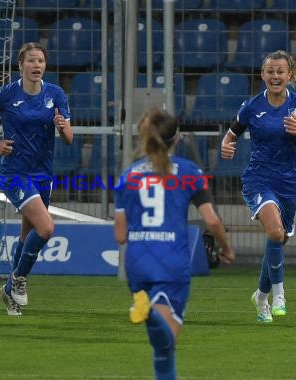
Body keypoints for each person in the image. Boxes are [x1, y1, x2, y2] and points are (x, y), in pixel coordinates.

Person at [114, 107, 235, 380]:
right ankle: (151, 315)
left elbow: (120, 236)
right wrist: (226, 247)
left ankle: (146, 309)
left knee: (161, 350)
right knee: (167, 345)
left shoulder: (128, 176)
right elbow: (212, 221)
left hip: (137, 263)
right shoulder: (189, 171)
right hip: (171, 261)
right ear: (177, 138)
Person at [0, 42, 73, 316]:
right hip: (15, 174)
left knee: (28, 234)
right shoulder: (6, 93)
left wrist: (62, 128)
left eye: (41, 61)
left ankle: (9, 292)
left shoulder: (55, 94)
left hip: (43, 174)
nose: (37, 65)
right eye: (32, 61)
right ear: (21, 65)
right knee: (47, 228)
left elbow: (69, 137)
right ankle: (18, 280)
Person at [220, 50, 296, 323]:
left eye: (280, 71)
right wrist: (226, 147)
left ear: (289, 75)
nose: (275, 76)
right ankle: (279, 296)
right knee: (275, 232)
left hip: (288, 182)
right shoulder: (251, 106)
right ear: (263, 75)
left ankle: (261, 298)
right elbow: (231, 135)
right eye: (270, 71)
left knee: (279, 239)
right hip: (258, 179)